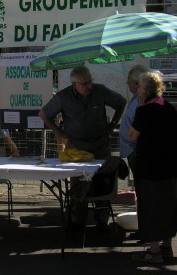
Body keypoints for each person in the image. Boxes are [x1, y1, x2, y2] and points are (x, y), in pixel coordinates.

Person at [39, 66, 126, 230]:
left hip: (100, 145)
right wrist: (59, 132)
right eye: (84, 84)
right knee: (79, 185)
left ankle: (102, 220)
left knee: (103, 182)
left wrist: (113, 124)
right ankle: (77, 221)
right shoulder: (63, 97)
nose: (88, 86)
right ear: (74, 84)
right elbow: (43, 114)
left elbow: (121, 102)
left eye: (90, 82)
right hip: (77, 148)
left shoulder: (100, 91)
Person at [129, 71, 177, 264]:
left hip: (150, 167)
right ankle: (167, 247)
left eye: (139, 86)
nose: (137, 89)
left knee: (150, 208)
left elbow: (133, 135)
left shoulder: (144, 110)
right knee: (168, 206)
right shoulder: (167, 107)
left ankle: (154, 251)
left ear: (145, 89)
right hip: (170, 166)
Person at [119, 65, 149, 186]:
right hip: (132, 150)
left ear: (137, 84)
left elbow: (138, 127)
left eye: (129, 80)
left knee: (143, 185)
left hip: (137, 151)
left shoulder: (142, 102)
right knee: (140, 184)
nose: (127, 82)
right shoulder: (136, 99)